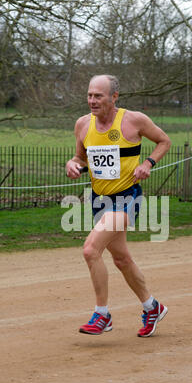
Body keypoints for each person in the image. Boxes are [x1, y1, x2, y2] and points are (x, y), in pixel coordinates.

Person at [66, 74, 171, 337]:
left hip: (126, 197)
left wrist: (147, 163)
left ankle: (102, 315)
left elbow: (164, 141)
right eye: (90, 95)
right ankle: (152, 306)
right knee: (122, 259)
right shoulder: (82, 125)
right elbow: (80, 157)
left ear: (114, 97)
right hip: (99, 200)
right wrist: (73, 165)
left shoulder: (134, 120)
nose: (92, 101)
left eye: (98, 96)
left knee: (91, 250)